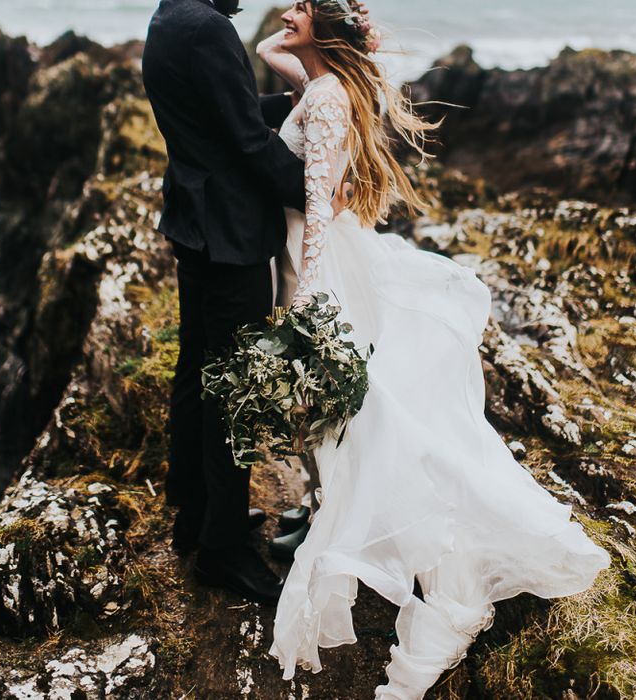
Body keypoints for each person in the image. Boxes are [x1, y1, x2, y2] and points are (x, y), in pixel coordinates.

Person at [256, 1, 613, 697]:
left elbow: (321, 201)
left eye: (302, 6)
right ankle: (336, 511)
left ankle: (415, 540)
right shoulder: (322, 85)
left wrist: (306, 295)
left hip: (319, 259)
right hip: (311, 252)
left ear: (326, 31)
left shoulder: (326, 98)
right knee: (349, 406)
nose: (285, 10)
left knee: (366, 408)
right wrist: (315, 34)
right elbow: (275, 52)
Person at [142, 0, 314, 606]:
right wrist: (315, 193)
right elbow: (245, 142)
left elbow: (218, 114)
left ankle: (193, 514)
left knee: (196, 372)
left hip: (196, 222)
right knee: (230, 391)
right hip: (229, 237)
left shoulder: (170, 16)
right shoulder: (210, 28)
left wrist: (291, 110)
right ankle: (221, 550)